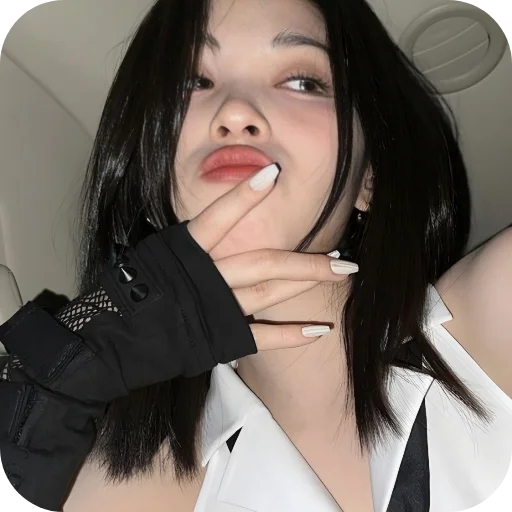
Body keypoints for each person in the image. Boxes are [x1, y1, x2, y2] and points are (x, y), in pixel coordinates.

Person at [1, 0, 511, 510]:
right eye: (193, 82)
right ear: (153, 176)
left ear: (369, 178)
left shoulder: (494, 314)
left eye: (303, 82)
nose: (235, 112)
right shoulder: (121, 487)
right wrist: (63, 370)